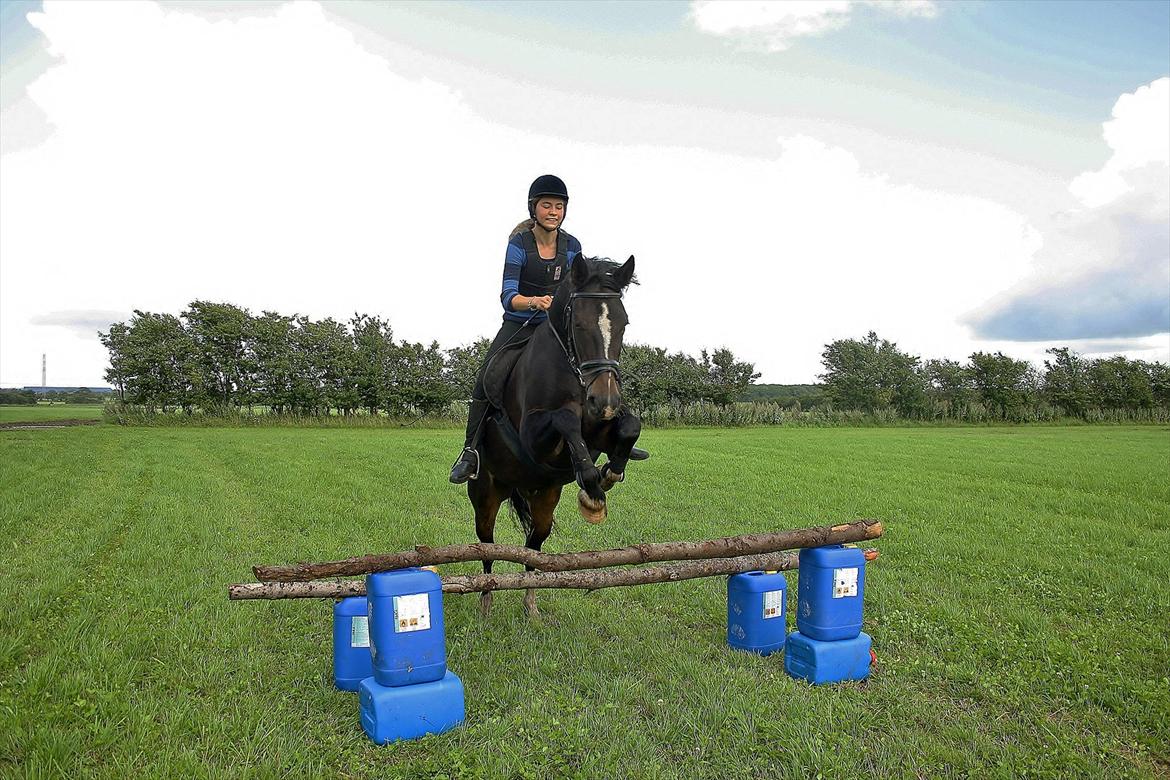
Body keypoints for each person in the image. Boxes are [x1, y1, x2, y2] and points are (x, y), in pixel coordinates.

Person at [449, 175, 646, 484]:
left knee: (597, 363)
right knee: (488, 374)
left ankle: (617, 434)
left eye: (558, 206)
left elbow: (579, 287)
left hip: (558, 328)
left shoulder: (572, 246)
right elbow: (507, 296)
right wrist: (533, 302)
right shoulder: (519, 245)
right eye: (546, 206)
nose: (553, 211)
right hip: (521, 324)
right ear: (533, 209)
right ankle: (470, 451)